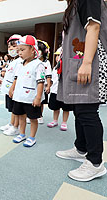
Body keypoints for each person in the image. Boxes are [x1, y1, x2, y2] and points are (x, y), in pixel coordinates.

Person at [55, 0, 107, 182]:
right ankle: (81, 148)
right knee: (79, 109)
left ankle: (95, 163)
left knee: (87, 112)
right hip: (78, 62)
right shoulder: (74, 3)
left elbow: (93, 28)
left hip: (88, 62)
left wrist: (86, 63)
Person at [9, 35, 45, 147]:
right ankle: (22, 134)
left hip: (31, 98)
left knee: (33, 118)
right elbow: (16, 78)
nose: (20, 53)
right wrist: (12, 88)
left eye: (23, 50)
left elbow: (40, 82)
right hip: (19, 96)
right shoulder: (20, 64)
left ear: (33, 50)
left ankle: (32, 137)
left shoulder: (38, 65)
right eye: (19, 50)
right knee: (20, 116)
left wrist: (38, 97)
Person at [0, 34, 22, 136]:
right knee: (12, 109)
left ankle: (15, 127)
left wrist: (12, 89)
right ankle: (11, 123)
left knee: (16, 110)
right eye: (9, 47)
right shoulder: (13, 60)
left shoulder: (21, 61)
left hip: (14, 89)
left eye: (14, 46)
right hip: (9, 88)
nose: (11, 49)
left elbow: (17, 77)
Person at [47, 47, 72, 131]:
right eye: (56, 56)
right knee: (55, 107)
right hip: (55, 91)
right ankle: (55, 120)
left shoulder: (69, 67)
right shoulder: (55, 68)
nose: (57, 58)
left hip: (65, 91)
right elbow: (52, 80)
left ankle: (64, 122)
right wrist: (48, 87)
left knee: (66, 108)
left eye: (59, 55)